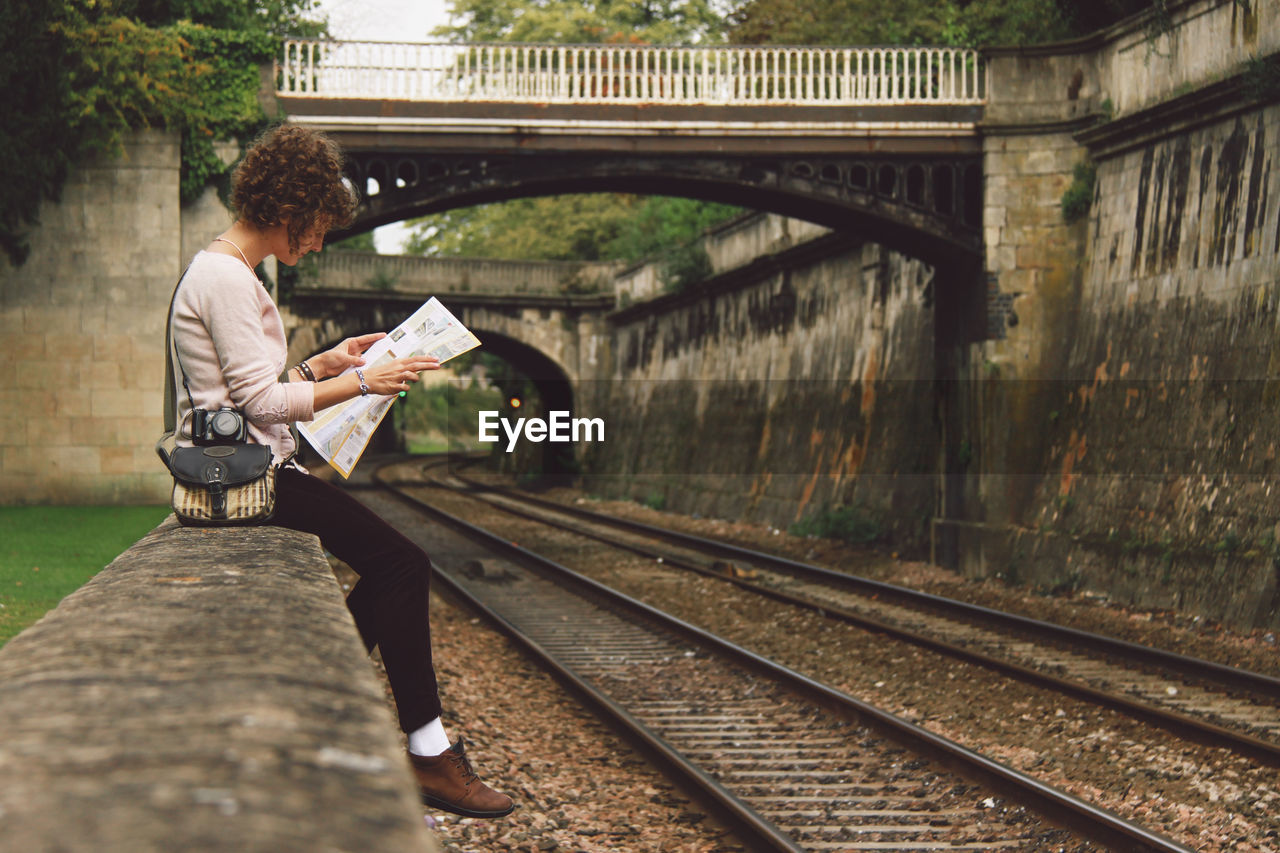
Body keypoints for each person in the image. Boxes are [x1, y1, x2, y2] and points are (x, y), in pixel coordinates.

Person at [167, 123, 513, 819]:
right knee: (403, 563)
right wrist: (365, 383)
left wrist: (322, 366)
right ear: (290, 207)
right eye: (318, 226)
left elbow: (249, 392)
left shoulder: (227, 270)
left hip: (246, 465)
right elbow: (261, 403)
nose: (319, 243)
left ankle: (333, 711)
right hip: (248, 479)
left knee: (394, 562)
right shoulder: (229, 277)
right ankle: (429, 755)